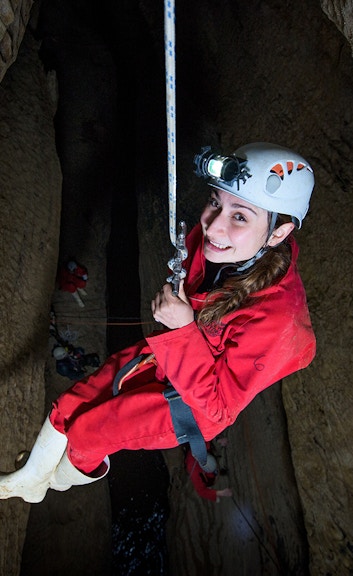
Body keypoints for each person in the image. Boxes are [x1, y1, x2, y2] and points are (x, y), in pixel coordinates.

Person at [0, 142, 316, 503]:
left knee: (88, 432)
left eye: (240, 216)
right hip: (166, 356)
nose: (212, 226)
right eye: (215, 201)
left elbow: (216, 406)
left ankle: (51, 483)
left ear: (278, 234)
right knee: (70, 404)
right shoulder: (214, 242)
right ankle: (31, 478)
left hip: (189, 403)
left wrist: (182, 329)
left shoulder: (279, 322)